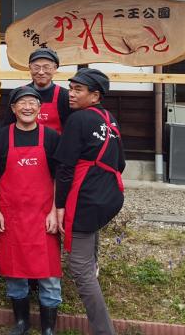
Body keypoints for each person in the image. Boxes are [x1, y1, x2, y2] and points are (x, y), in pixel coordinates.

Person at [55, 68, 126, 335]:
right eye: (70, 88)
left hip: (84, 198)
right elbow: (120, 162)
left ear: (95, 95)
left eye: (78, 90)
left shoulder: (79, 119)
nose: (71, 95)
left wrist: (59, 205)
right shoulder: (110, 119)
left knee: (79, 268)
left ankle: (104, 331)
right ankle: (93, 261)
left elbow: (65, 167)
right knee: (89, 253)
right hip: (109, 196)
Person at [0, 86, 62, 335]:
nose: (28, 107)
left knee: (49, 274)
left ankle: (48, 327)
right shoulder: (1, 136)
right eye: (22, 103)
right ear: (13, 108)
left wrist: (54, 211)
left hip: (43, 216)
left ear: (40, 109)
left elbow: (57, 177)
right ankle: (21, 322)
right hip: (12, 215)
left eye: (33, 102)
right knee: (14, 270)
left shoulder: (51, 137)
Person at [25, 48, 73, 134]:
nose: (41, 72)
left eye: (46, 67)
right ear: (30, 68)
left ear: (54, 68)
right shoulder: (20, 94)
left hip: (56, 146)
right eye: (36, 67)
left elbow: (71, 131)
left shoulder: (65, 96)